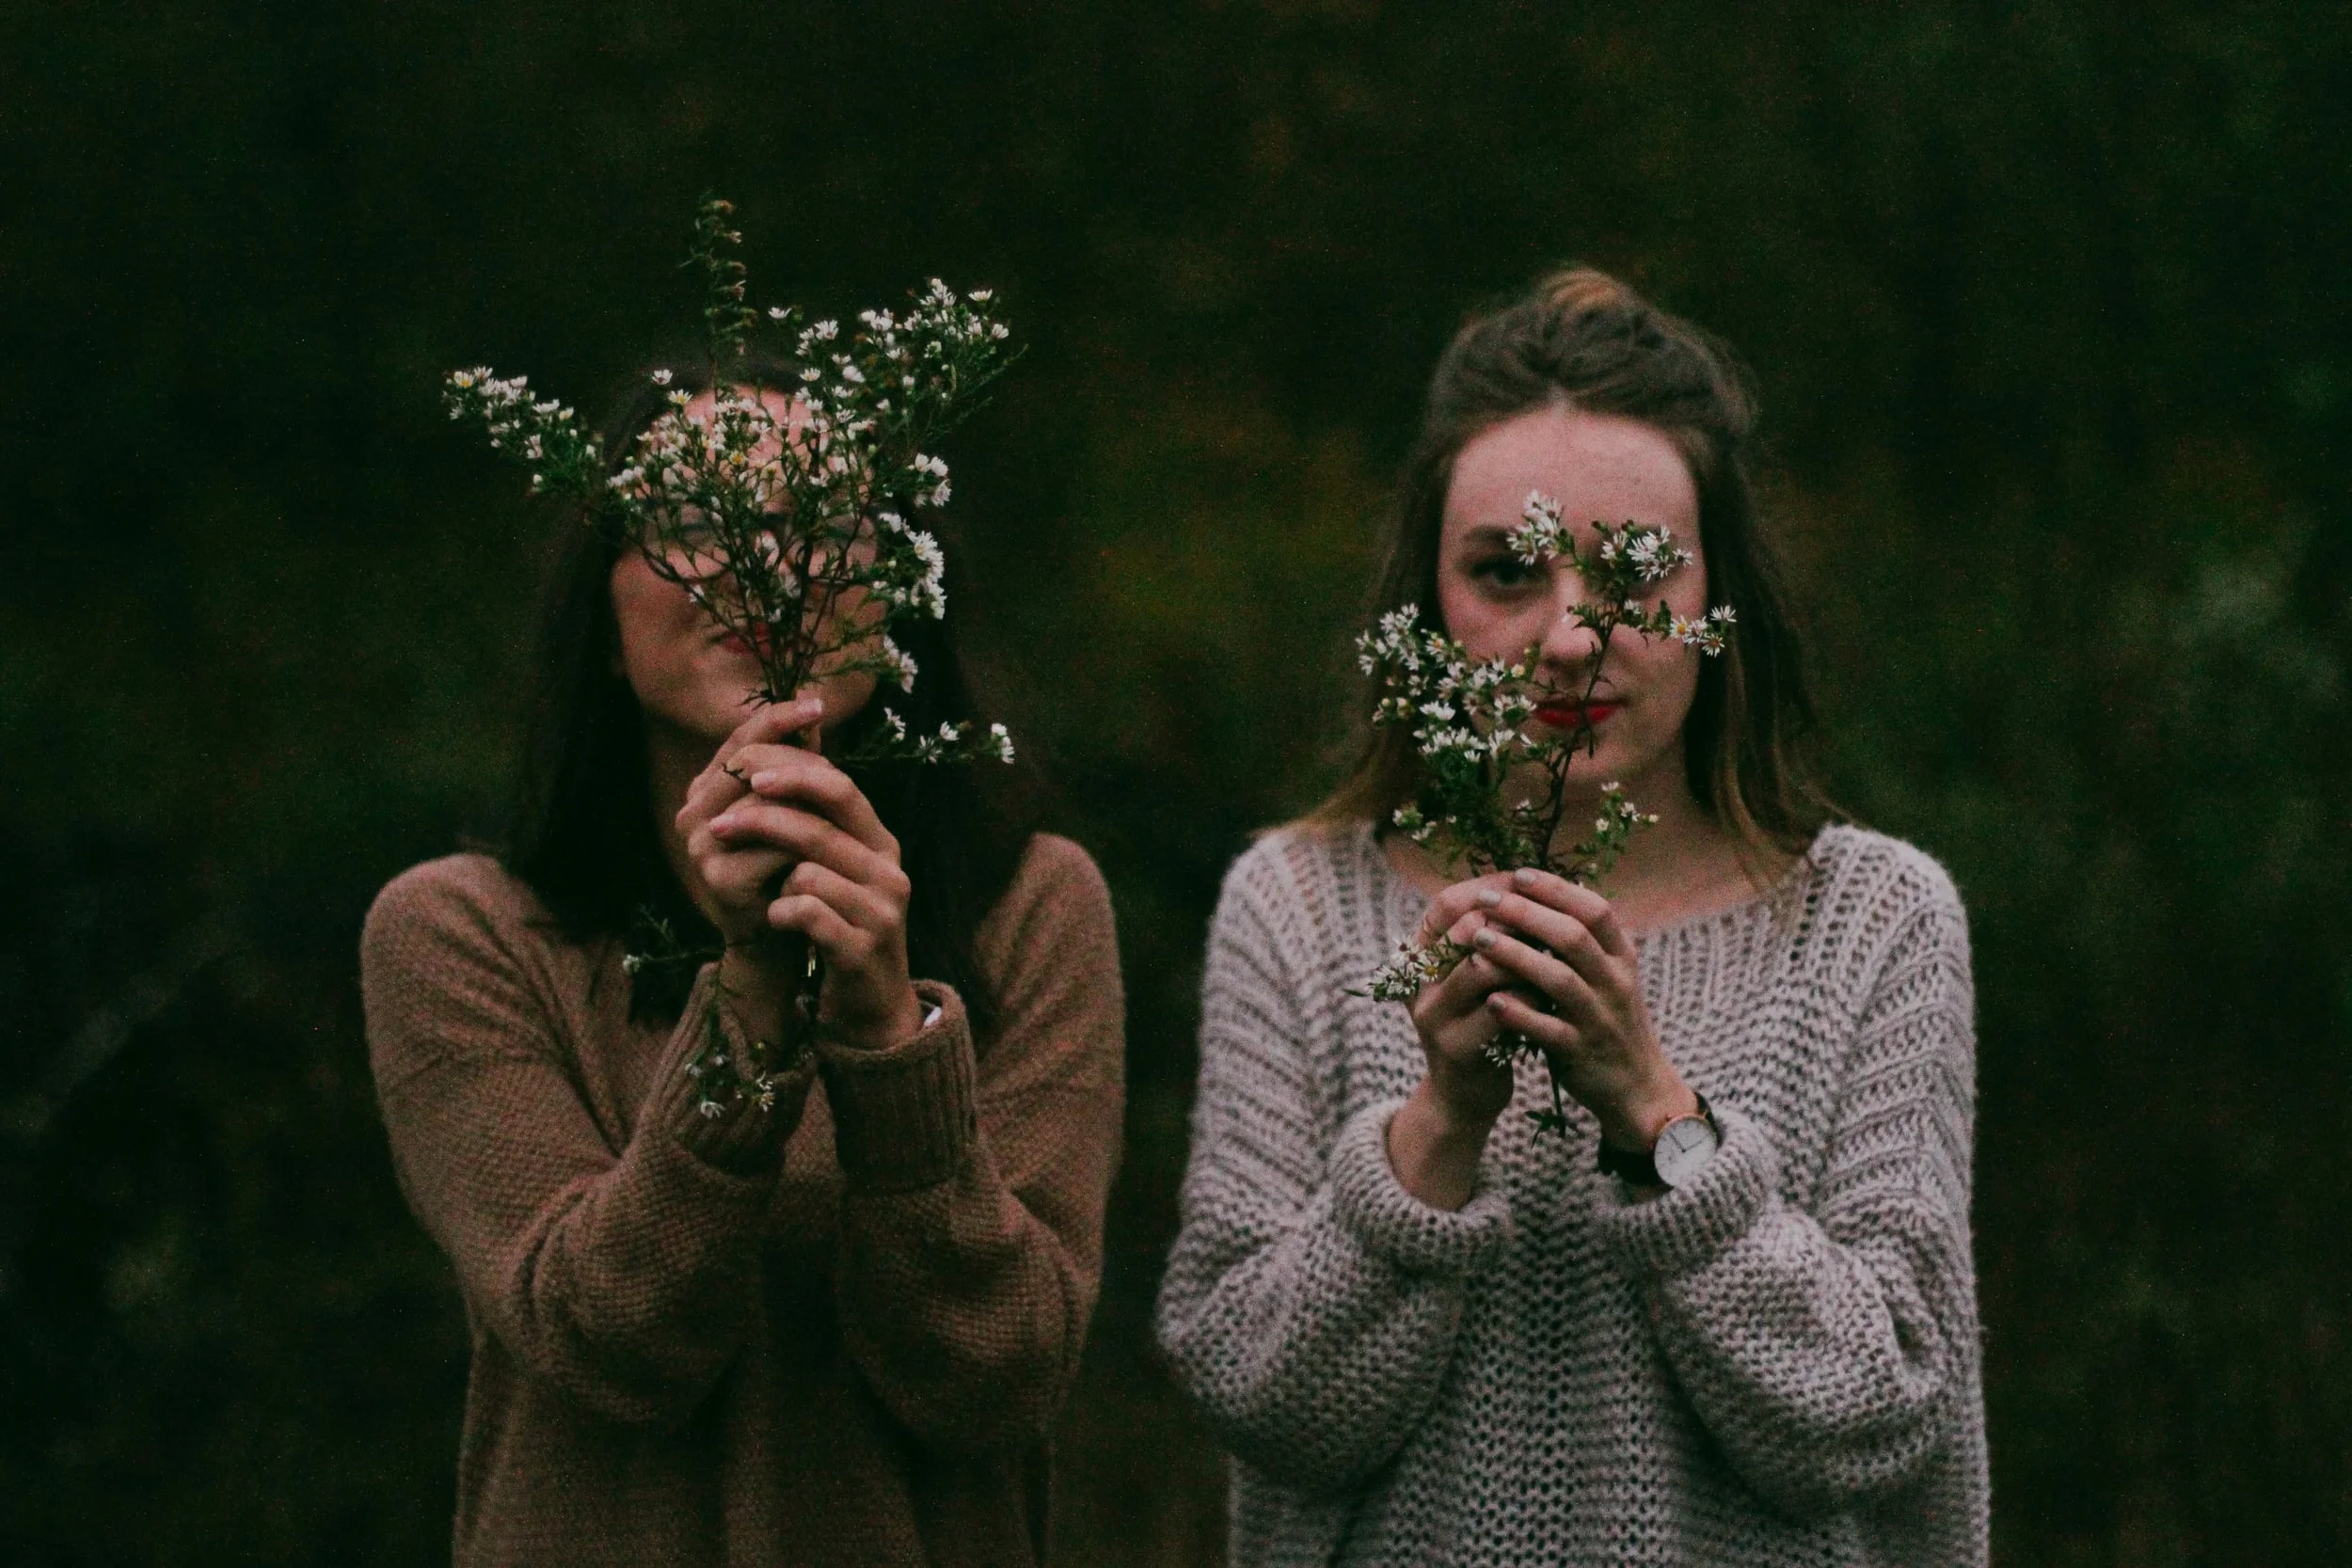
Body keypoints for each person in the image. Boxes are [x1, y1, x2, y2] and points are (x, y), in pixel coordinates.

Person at [1156, 271, 1986, 1566]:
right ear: (1427, 598)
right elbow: (1256, 1397)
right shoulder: (1300, 907)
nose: (1569, 635)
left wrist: (1653, 1111)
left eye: (1635, 571)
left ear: (1720, 603)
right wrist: (1440, 1124)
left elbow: (1874, 1420)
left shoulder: (1870, 920)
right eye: (1505, 571)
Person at [361, 361, 1124, 1568]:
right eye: (696, 521)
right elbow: (612, 1341)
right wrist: (752, 993)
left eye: (822, 522)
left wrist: (888, 1037)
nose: (768, 564)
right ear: (603, 628)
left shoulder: (1030, 909)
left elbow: (996, 1376)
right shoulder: (464, 935)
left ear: (902, 600)